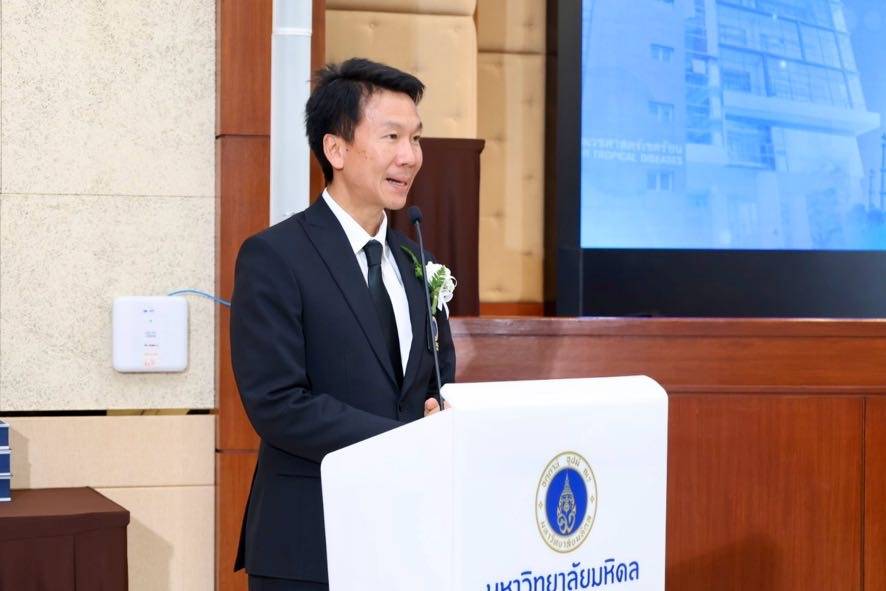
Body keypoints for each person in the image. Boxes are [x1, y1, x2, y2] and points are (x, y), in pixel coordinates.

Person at [230, 58, 456, 591]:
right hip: (310, 545)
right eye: (392, 137)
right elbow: (278, 404)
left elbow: (435, 381)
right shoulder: (275, 257)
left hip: (407, 541)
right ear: (336, 149)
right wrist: (404, 440)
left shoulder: (417, 261)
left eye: (416, 138)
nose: (410, 156)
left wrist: (441, 412)